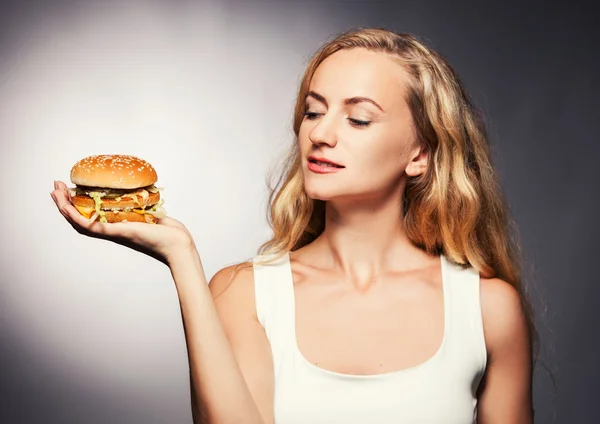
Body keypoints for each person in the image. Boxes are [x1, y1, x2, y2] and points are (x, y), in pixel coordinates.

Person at [51, 27, 534, 424]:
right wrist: (181, 255)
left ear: (420, 154)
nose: (320, 134)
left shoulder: (488, 309)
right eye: (313, 111)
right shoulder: (244, 294)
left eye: (358, 119)